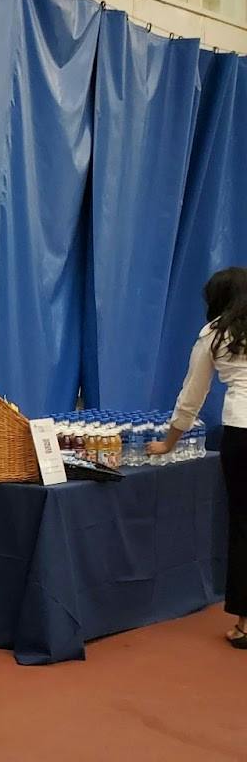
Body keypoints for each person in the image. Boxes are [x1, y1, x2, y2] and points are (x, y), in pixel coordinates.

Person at [147, 266, 247, 648]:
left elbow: (192, 395)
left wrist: (169, 442)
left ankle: (244, 624)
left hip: (242, 432)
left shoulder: (215, 335)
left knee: (243, 525)